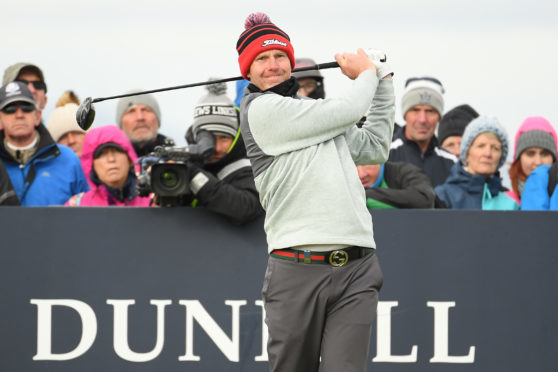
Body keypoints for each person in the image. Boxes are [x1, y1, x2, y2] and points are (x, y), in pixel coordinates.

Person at [236, 12, 393, 372]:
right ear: (248, 71)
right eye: (262, 58)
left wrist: (384, 82)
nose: (273, 65)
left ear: (291, 64)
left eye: (279, 56)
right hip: (296, 269)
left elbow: (373, 147)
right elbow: (351, 107)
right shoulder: (261, 111)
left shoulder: (315, 112)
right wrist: (366, 72)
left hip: (357, 267)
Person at [179, 81, 263, 224]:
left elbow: (246, 207)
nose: (217, 148)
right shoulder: (185, 165)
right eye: (209, 139)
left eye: (224, 138)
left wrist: (195, 177)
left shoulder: (251, 165)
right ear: (196, 137)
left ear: (236, 135)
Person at [0, 81, 88, 206]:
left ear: (38, 116)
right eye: (10, 109)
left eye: (26, 107)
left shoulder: (68, 160)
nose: (19, 115)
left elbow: (88, 214)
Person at [435, 115, 519, 210]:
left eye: (495, 148)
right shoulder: (443, 197)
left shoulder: (511, 206)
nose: (488, 154)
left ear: (500, 157)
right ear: (467, 153)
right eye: (481, 146)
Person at [389, 76, 457, 187]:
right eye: (415, 110)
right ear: (405, 115)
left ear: (439, 117)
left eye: (430, 111)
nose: (422, 119)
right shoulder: (384, 156)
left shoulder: (452, 163)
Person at [66, 125, 151, 206]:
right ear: (91, 165)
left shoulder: (153, 200)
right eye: (102, 154)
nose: (111, 159)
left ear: (130, 160)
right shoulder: (77, 205)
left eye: (117, 151)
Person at [506, 116, 557, 204]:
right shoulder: (505, 203)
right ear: (519, 159)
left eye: (545, 154)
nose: (538, 162)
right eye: (530, 153)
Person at [115, 91, 175, 157]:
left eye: (146, 110)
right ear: (121, 124)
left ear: (157, 120)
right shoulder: (108, 164)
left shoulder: (182, 162)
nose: (140, 117)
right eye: (131, 111)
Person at [358, 161, 438, 209]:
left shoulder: (403, 172)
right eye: (352, 165)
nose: (361, 174)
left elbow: (425, 199)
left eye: (367, 163)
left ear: (381, 158)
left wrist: (369, 194)